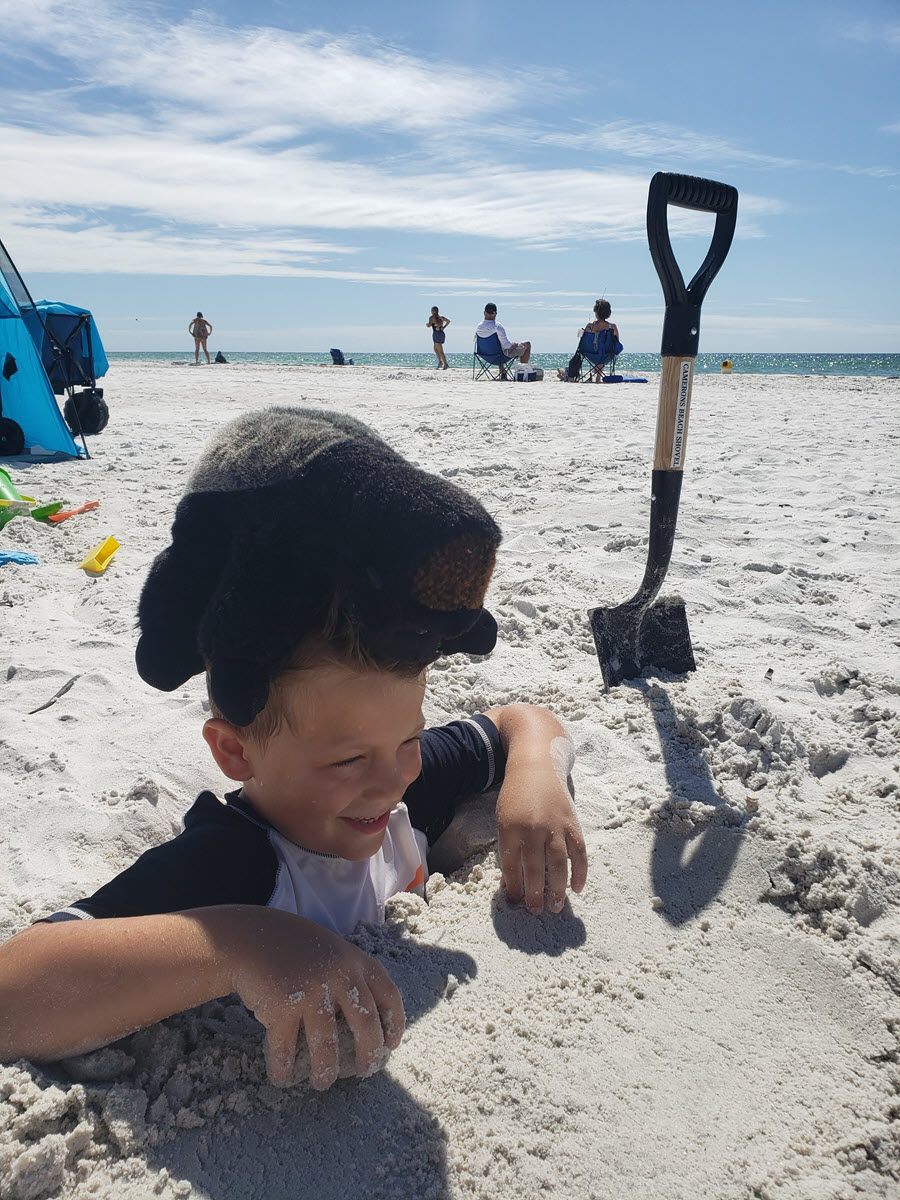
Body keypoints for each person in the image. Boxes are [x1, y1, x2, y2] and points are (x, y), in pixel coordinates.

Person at [0, 408, 587, 1093]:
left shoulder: (403, 791)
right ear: (234, 754)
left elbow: (525, 720)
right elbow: (16, 991)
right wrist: (242, 944)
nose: (389, 780)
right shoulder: (231, 862)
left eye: (406, 738)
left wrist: (534, 782)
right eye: (346, 762)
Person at [475, 303, 531, 379]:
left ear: (484, 313)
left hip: (485, 356)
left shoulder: (479, 327)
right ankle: (522, 372)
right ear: (496, 313)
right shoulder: (497, 326)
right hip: (500, 357)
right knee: (527, 344)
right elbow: (506, 346)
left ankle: (503, 371)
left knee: (498, 347)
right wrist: (513, 345)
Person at [584, 300, 619, 383]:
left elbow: (584, 341)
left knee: (599, 350)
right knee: (602, 350)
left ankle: (597, 372)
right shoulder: (612, 327)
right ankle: (598, 376)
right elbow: (617, 341)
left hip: (590, 353)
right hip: (607, 354)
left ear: (596, 313)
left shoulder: (590, 326)